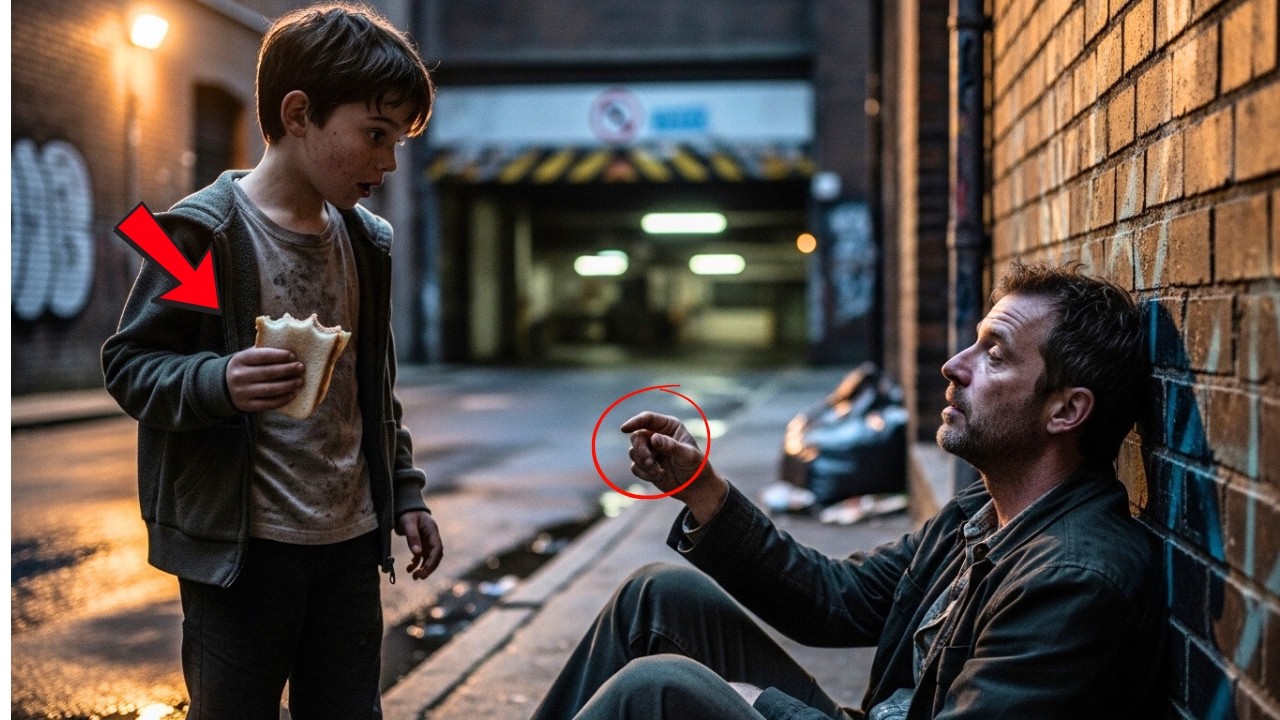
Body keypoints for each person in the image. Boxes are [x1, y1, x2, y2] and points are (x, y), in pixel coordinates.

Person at [530, 262, 1164, 720]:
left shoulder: (1073, 578)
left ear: (1065, 410)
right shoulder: (983, 513)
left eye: (994, 354)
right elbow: (835, 599)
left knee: (657, 689)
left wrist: (762, 704)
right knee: (655, 596)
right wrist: (702, 488)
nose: (954, 365)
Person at [101, 5, 440, 718]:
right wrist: (217, 381)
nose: (387, 162)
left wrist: (405, 493)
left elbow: (372, 391)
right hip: (242, 555)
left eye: (398, 142)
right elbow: (131, 363)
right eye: (376, 134)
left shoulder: (367, 243)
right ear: (298, 114)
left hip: (350, 545)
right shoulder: (201, 234)